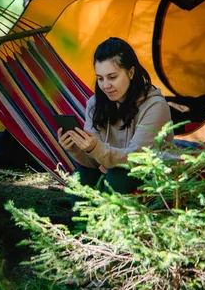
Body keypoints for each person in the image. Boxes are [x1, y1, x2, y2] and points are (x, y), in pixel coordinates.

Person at [57, 37, 173, 197]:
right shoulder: (95, 104)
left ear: (131, 73)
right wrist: (76, 148)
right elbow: (94, 162)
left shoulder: (155, 106)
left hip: (151, 175)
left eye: (112, 77)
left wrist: (100, 153)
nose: (105, 85)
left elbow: (137, 159)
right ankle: (83, 222)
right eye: (100, 78)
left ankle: (112, 221)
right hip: (113, 171)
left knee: (117, 175)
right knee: (83, 174)